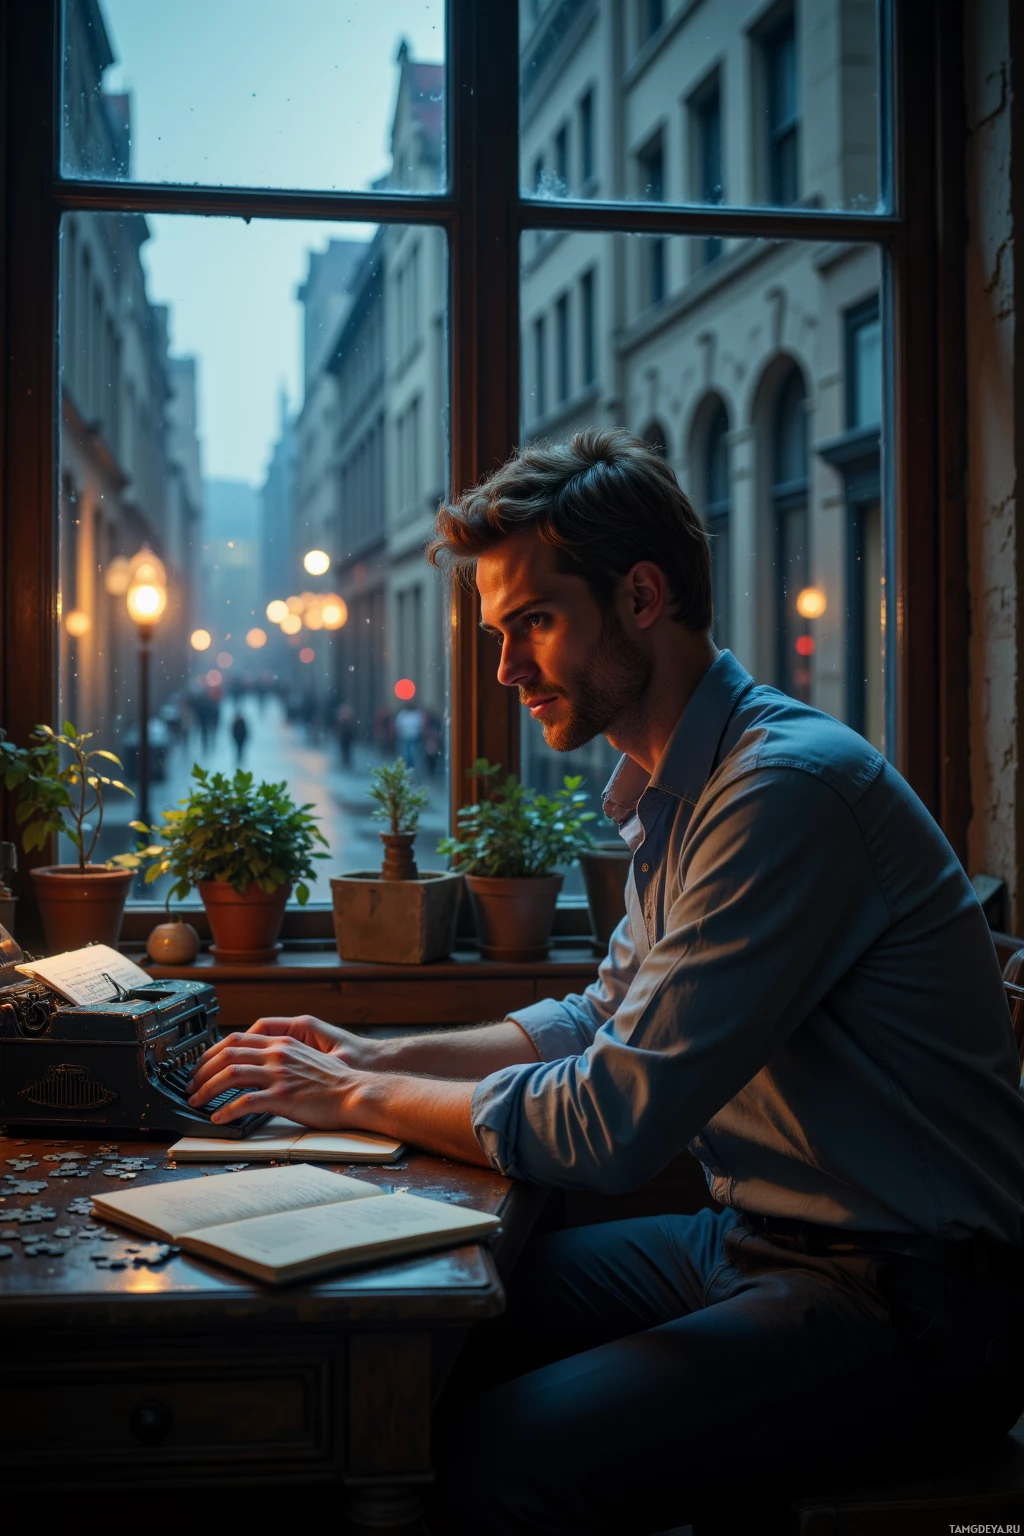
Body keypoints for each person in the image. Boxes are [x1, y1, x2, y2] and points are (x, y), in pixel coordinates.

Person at [187, 430, 1024, 1533]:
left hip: (915, 1303)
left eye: (531, 623)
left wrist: (344, 1095)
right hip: (754, 1243)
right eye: (499, 632)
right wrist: (365, 1054)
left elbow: (609, 1126)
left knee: (500, 1461)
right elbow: (597, 1017)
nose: (503, 669)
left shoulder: (781, 792)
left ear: (641, 596)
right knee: (438, 1336)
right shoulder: (683, 784)